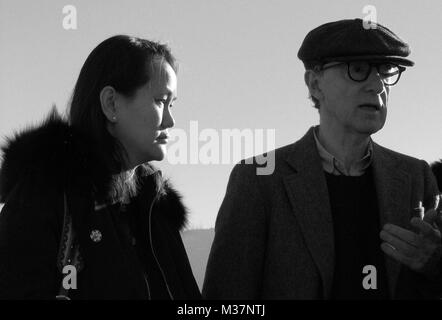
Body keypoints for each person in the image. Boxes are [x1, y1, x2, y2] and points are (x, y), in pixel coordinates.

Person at [203, 18, 442, 299]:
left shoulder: (415, 177)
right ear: (315, 84)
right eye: (358, 70)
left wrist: (436, 265)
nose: (377, 85)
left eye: (387, 71)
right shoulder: (259, 178)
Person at [0, 35, 201, 300]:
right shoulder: (45, 195)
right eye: (160, 101)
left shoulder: (157, 206)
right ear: (111, 103)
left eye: (172, 104)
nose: (170, 120)